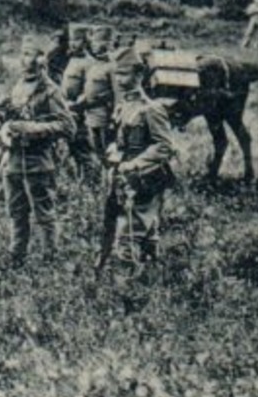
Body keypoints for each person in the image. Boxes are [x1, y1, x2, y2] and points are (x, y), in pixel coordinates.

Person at [0, 36, 76, 265]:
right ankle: (16, 257)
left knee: (44, 215)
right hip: (14, 160)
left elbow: (68, 126)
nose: (26, 60)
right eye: (23, 54)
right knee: (16, 212)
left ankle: (49, 259)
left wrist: (31, 128)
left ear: (42, 58)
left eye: (32, 54)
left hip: (39, 161)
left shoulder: (50, 90)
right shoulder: (18, 86)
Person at [101, 48, 177, 268]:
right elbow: (121, 139)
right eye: (117, 73)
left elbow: (164, 146)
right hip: (124, 175)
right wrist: (114, 150)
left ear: (139, 75)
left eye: (124, 73)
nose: (118, 78)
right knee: (147, 232)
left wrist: (133, 165)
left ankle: (126, 291)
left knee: (128, 236)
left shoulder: (151, 109)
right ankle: (152, 277)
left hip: (145, 177)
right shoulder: (124, 106)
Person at [77, 25, 117, 173]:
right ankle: (104, 181)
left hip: (104, 116)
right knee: (98, 153)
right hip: (91, 116)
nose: (94, 45)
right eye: (93, 42)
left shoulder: (113, 66)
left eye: (98, 42)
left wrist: (114, 117)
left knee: (109, 153)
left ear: (107, 44)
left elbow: (117, 94)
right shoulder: (94, 65)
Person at [59, 25, 94, 171]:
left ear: (86, 42)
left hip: (80, 113)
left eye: (77, 40)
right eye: (72, 40)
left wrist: (75, 105)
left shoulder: (89, 63)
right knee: (69, 148)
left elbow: (89, 92)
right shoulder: (72, 60)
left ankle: (91, 181)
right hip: (67, 110)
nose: (73, 43)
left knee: (82, 150)